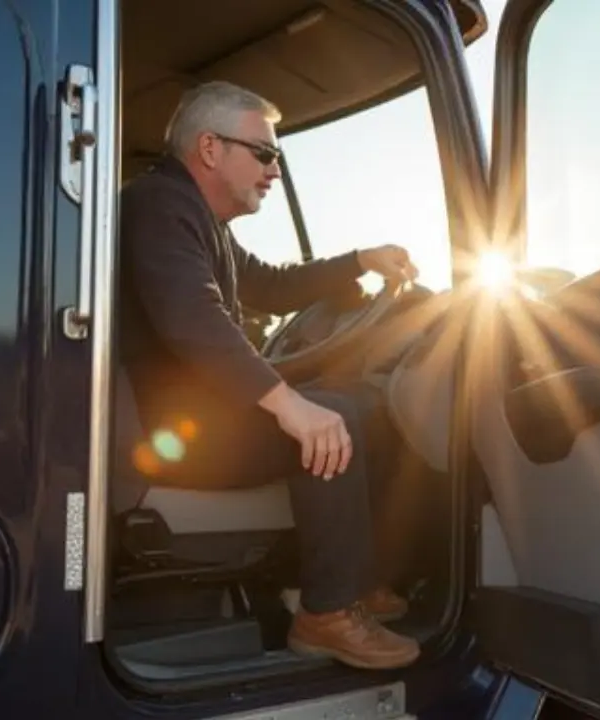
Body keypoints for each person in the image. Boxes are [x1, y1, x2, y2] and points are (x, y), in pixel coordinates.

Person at [117, 80, 422, 670]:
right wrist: (289, 405)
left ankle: (342, 583)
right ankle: (326, 614)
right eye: (264, 152)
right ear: (210, 149)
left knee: (361, 404)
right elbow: (193, 320)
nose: (273, 169)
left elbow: (271, 285)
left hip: (194, 417)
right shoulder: (157, 206)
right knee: (342, 414)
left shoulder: (196, 217)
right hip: (171, 433)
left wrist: (359, 261)